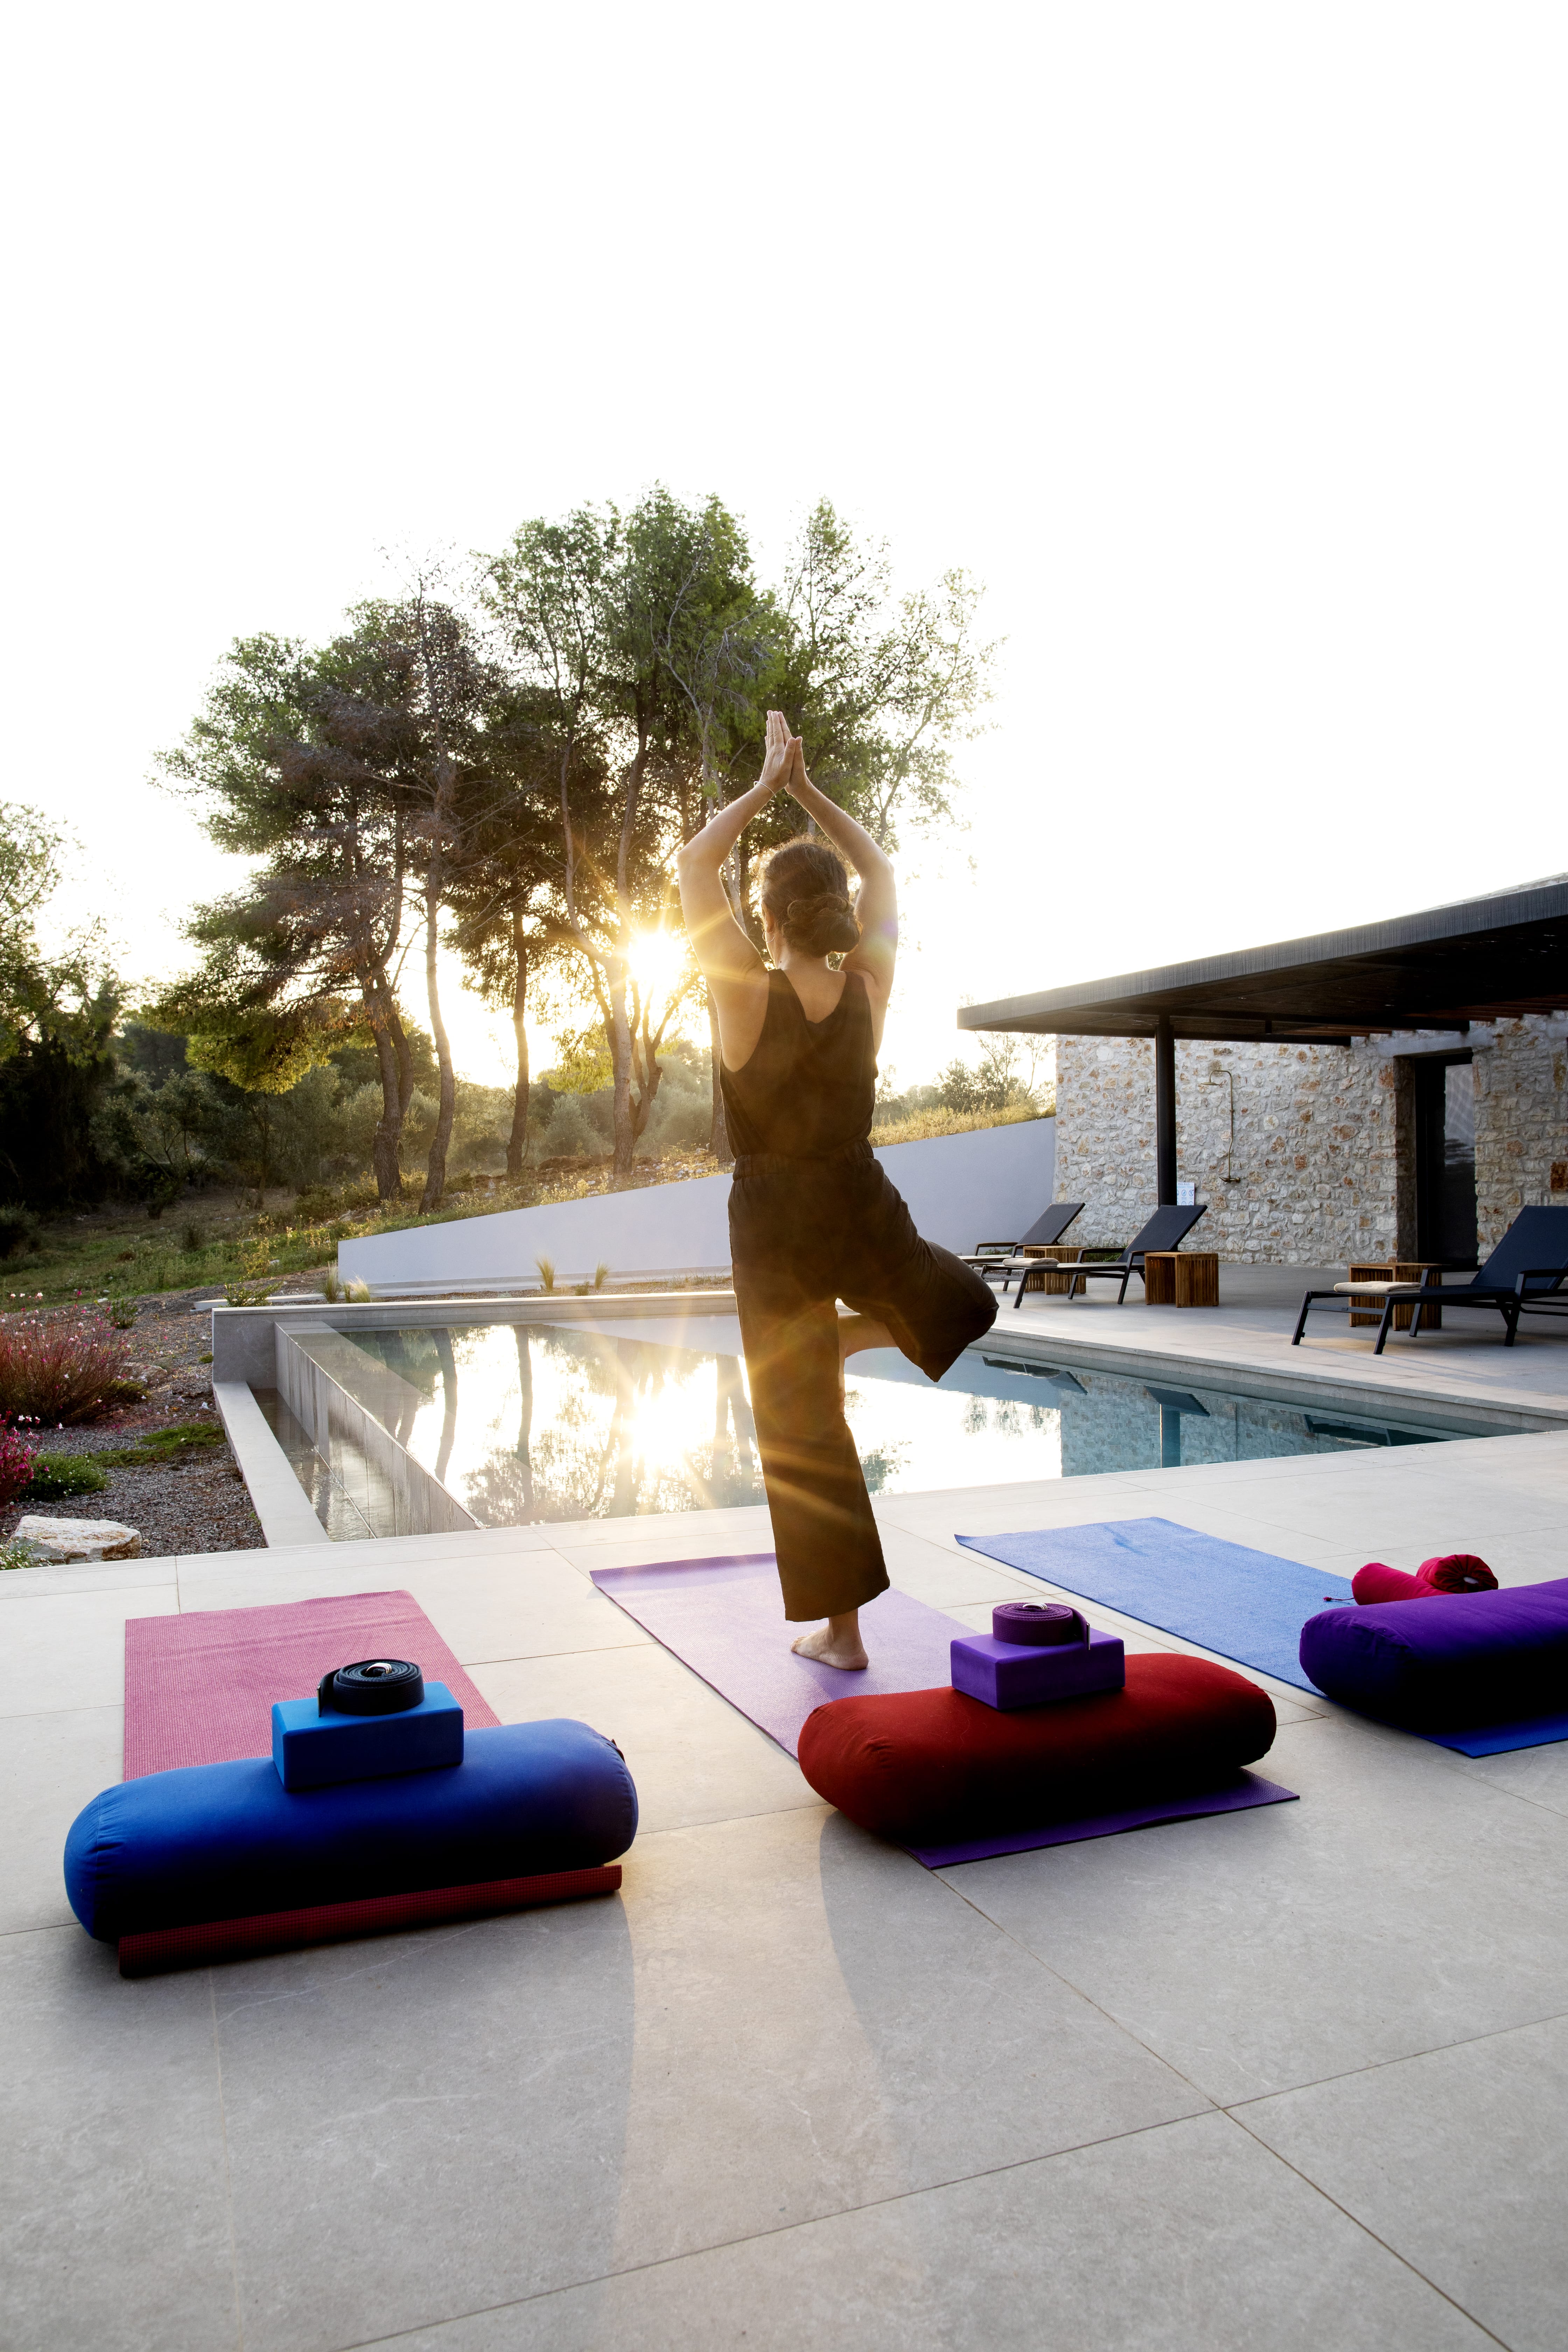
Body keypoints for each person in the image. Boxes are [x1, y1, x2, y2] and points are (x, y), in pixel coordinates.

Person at [676, 710, 999, 1668]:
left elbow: (696, 867)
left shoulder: (743, 992)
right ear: (836, 914)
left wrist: (764, 789)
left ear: (769, 920)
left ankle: (845, 1635)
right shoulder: (868, 989)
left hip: (774, 1222)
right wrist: (810, 794)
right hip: (860, 1199)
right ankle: (862, 1335)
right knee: (965, 1302)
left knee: (802, 1428)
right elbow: (886, 877)